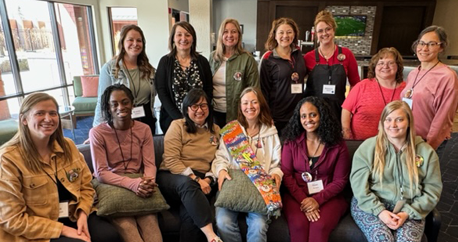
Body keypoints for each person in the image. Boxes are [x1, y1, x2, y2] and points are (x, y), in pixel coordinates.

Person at [0, 93, 121, 242]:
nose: (48, 118)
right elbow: (11, 219)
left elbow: (86, 187)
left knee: (110, 236)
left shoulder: (68, 146)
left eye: (52, 113)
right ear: (24, 119)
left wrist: (83, 213)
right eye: (40, 113)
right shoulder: (8, 159)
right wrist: (64, 230)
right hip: (36, 228)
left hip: (72, 214)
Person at [350, 100, 442, 242]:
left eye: (399, 120)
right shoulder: (368, 148)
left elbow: (432, 189)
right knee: (382, 238)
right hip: (370, 204)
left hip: (410, 206)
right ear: (382, 122)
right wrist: (380, 212)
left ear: (409, 122)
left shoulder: (426, 152)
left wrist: (408, 213)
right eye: (388, 120)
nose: (392, 125)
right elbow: (359, 188)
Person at [89, 84, 162, 242]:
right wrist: (132, 184)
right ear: (108, 108)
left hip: (139, 180)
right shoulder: (97, 133)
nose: (120, 107)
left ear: (132, 104)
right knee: (129, 230)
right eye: (114, 104)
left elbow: (149, 164)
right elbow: (101, 173)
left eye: (125, 102)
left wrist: (148, 182)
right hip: (110, 183)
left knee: (151, 224)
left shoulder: (144, 129)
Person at [212, 87, 282, 242]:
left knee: (258, 226)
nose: (249, 107)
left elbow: (277, 163)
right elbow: (220, 157)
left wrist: (277, 173)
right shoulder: (231, 130)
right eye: (245, 103)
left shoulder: (270, 131)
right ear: (240, 106)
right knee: (223, 222)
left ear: (261, 104)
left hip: (259, 188)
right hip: (233, 185)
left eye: (254, 102)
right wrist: (221, 170)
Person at [281, 96, 350, 242]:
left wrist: (317, 200)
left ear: (321, 116)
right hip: (297, 196)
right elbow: (286, 175)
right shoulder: (291, 142)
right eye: (303, 116)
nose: (308, 120)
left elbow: (340, 181)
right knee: (298, 224)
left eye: (313, 114)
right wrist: (304, 199)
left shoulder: (338, 144)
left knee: (319, 225)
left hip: (329, 196)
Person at [156, 89, 222, 242]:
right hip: (172, 176)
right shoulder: (177, 126)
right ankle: (212, 236)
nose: (199, 110)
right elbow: (172, 160)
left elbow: (217, 160)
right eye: (194, 106)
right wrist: (196, 180)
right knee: (188, 184)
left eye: (203, 105)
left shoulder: (216, 130)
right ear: (186, 108)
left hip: (201, 180)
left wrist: (209, 179)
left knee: (191, 216)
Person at [401, 25, 458, 152]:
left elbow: (443, 117)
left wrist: (429, 147)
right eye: (421, 43)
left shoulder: (447, 76)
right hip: (407, 138)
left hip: (427, 142)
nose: (424, 48)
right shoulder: (413, 73)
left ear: (441, 47)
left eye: (431, 44)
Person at [93, 25, 157, 135]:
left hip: (146, 119)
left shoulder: (148, 69)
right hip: (120, 118)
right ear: (122, 42)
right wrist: (97, 130)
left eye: (139, 40)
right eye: (130, 40)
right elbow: (102, 101)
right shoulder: (110, 68)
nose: (135, 44)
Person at [156, 21, 213, 133]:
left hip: (199, 119)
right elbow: (162, 92)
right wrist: (179, 119)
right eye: (179, 35)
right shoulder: (165, 62)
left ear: (193, 39)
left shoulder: (202, 62)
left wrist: (199, 114)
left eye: (187, 35)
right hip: (172, 120)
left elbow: (208, 90)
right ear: (173, 38)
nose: (183, 38)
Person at [304, 10, 360, 121]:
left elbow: (355, 85)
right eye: (320, 31)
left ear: (334, 30)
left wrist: (349, 109)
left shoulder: (346, 54)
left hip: (338, 111)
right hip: (313, 113)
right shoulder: (308, 57)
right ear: (316, 34)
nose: (324, 34)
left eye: (328, 29)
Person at [342, 47, 406, 140]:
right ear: (374, 67)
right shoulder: (362, 86)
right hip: (360, 144)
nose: (385, 66)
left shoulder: (406, 89)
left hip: (395, 144)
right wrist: (346, 134)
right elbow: (346, 110)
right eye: (381, 63)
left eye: (391, 63)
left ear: (398, 66)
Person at [260, 17, 307, 135]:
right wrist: (266, 116)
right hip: (277, 116)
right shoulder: (268, 58)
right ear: (274, 35)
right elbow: (263, 90)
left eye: (289, 32)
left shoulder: (298, 54)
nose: (285, 36)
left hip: (298, 113)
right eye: (281, 32)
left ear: (294, 34)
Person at [209, 18, 259, 128]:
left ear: (239, 35)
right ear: (221, 35)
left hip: (238, 114)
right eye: (225, 31)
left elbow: (254, 89)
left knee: (236, 145)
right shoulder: (213, 57)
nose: (229, 35)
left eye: (234, 31)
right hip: (214, 114)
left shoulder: (247, 59)